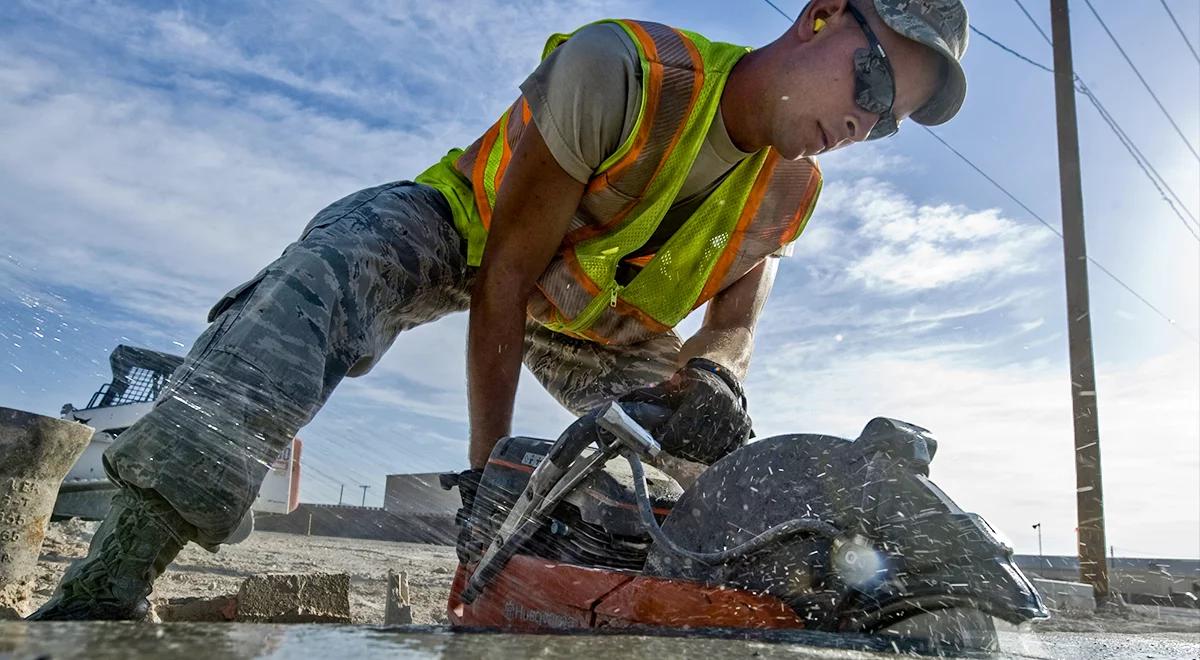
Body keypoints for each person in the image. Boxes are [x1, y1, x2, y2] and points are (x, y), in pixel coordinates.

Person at [29, 0, 968, 620]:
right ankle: (113, 576)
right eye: (872, 84)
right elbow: (506, 277)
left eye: (885, 123)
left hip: (592, 311)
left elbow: (737, 313)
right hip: (467, 233)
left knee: (704, 449)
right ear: (823, 17)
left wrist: (718, 371)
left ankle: (655, 606)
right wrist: (486, 487)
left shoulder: (790, 192)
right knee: (322, 280)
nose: (861, 125)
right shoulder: (629, 71)